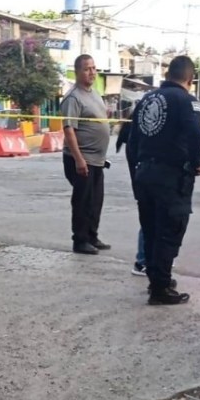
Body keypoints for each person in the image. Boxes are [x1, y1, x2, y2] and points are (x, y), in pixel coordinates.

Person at [126, 56, 200, 305]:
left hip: (144, 174)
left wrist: (135, 177)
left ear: (168, 74)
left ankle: (157, 279)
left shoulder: (146, 99)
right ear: (190, 79)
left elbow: (131, 142)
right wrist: (195, 164)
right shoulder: (186, 101)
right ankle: (160, 288)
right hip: (171, 177)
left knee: (151, 230)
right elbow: (196, 135)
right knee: (169, 232)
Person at [61, 55, 111, 255]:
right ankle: (80, 241)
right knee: (82, 201)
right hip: (81, 159)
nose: (91, 72)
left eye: (93, 68)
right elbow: (69, 130)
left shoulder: (94, 93)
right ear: (77, 72)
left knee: (95, 200)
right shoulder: (73, 97)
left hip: (97, 160)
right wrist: (79, 159)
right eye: (86, 69)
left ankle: (92, 236)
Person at [115, 100, 148, 276]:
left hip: (143, 184)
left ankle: (150, 258)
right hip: (145, 185)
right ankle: (142, 261)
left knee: (152, 220)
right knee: (150, 221)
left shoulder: (133, 133)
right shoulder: (136, 138)